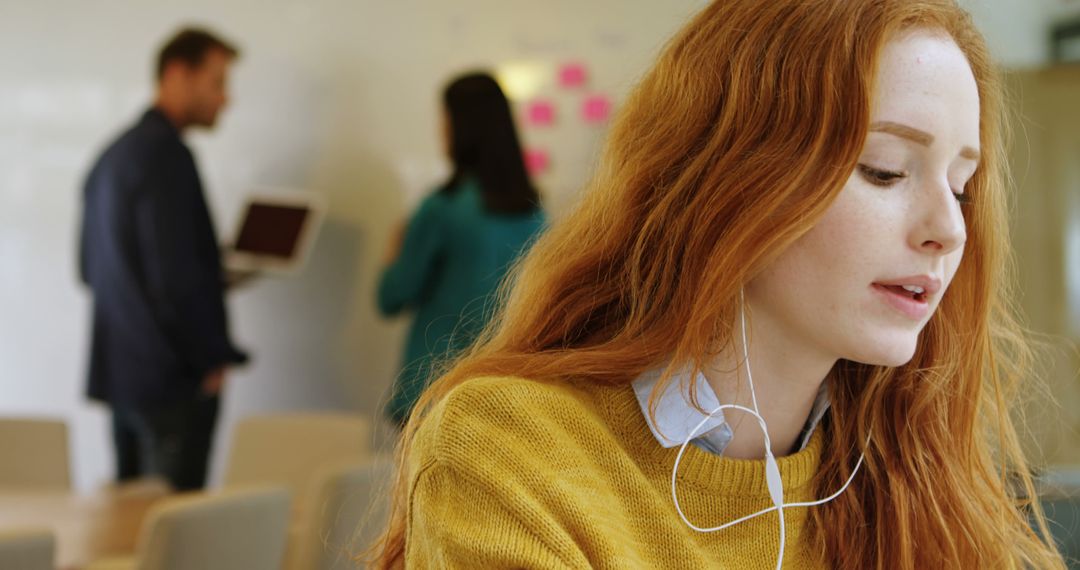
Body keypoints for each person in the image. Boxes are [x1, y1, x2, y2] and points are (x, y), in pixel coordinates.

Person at [367, 1, 1066, 568]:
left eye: (963, 187)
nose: (948, 230)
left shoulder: (914, 478)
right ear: (728, 177)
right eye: (884, 169)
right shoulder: (512, 452)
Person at [79, 28, 248, 491]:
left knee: (129, 541)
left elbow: (90, 269)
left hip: (124, 378)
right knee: (175, 540)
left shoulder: (111, 157)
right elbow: (174, 281)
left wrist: (211, 274)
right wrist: (210, 360)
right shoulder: (168, 157)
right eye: (217, 83)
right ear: (177, 73)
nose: (225, 99)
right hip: (173, 384)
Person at [376, 72, 545, 427]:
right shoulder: (535, 212)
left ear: (459, 126)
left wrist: (393, 248)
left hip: (432, 387)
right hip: (500, 389)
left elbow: (392, 297)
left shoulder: (442, 208)